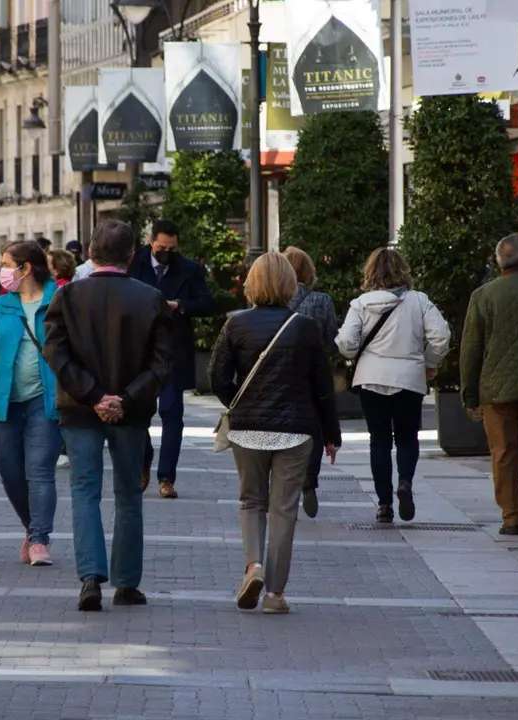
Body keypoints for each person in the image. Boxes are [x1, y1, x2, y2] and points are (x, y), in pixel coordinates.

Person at [43, 220, 173, 612]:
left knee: (84, 490)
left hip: (79, 408)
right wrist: (124, 399)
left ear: (90, 253)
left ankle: (90, 577)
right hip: (130, 412)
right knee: (129, 494)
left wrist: (94, 395)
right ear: (131, 256)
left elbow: (56, 353)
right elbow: (161, 364)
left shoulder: (68, 296)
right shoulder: (151, 298)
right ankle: (127, 582)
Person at [210, 252, 341, 614]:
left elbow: (217, 378)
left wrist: (240, 403)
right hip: (296, 430)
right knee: (284, 509)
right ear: (290, 284)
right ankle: (275, 595)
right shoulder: (305, 327)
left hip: (248, 429)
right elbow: (322, 388)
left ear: (251, 283)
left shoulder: (235, 325)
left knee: (251, 501)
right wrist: (331, 434)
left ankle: (253, 565)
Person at [336, 248, 450, 524]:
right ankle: (405, 482)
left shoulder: (361, 304)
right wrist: (429, 362)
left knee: (379, 440)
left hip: (371, 379)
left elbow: (346, 343)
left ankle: (384, 504)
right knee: (407, 437)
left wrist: (357, 353)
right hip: (409, 379)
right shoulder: (419, 301)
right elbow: (441, 337)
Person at [0, 241, 63, 567]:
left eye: (7, 264)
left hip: (45, 401)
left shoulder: (59, 301)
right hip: (6, 403)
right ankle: (31, 527)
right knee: (11, 475)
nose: (2, 271)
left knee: (40, 471)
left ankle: (39, 539)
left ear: (26, 268)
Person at [461, 234, 518, 535]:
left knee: (502, 451)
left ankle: (511, 519)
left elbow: (471, 349)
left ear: (497, 261)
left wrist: (469, 393)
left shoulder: (483, 295)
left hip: (496, 386)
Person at [127, 219, 217, 498]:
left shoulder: (188, 269)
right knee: (137, 413)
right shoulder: (132, 263)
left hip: (173, 352)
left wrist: (180, 305)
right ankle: (143, 461)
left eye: (172, 249)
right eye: (162, 248)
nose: (167, 253)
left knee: (172, 414)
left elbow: (208, 303)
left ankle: (166, 477)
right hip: (138, 352)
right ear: (151, 242)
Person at [282, 246, 338, 518]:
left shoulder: (272, 301)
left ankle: (285, 478)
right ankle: (310, 477)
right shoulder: (322, 301)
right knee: (313, 428)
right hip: (313, 374)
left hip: (280, 374)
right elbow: (332, 339)